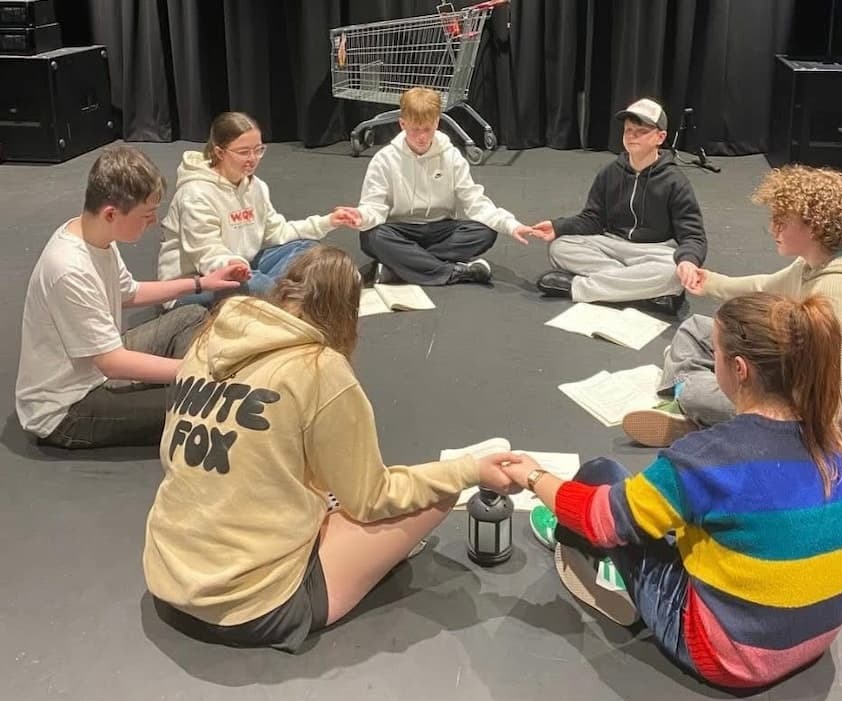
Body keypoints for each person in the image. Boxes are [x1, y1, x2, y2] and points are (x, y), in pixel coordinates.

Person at [143, 245, 520, 653]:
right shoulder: (319, 366)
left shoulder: (206, 343)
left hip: (167, 579)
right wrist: (471, 471)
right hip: (248, 606)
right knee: (435, 493)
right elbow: (372, 498)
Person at [509, 293, 842, 690]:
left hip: (729, 656)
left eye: (714, 352)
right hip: (816, 635)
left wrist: (534, 476)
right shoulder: (833, 442)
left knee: (600, 475)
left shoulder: (708, 458)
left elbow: (602, 518)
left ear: (740, 369)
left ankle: (573, 543)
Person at [622, 164, 842, 447]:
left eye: (782, 221)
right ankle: (713, 418)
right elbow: (763, 287)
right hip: (797, 373)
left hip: (830, 418)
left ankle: (700, 412)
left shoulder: (838, 295)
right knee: (697, 328)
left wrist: (790, 426)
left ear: (815, 227)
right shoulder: (815, 264)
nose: (773, 228)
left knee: (693, 393)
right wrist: (710, 282)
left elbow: (830, 394)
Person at [15, 146, 248, 449]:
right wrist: (198, 372)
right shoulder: (69, 269)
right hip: (68, 409)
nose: (152, 222)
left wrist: (201, 282)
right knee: (215, 400)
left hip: (96, 367)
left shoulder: (95, 236)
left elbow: (130, 292)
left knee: (189, 317)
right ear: (111, 213)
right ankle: (192, 385)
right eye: (147, 214)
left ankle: (185, 383)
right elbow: (112, 362)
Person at [158, 111, 361, 307]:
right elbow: (207, 253)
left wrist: (328, 221)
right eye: (244, 152)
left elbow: (277, 232)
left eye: (258, 150)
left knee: (308, 249)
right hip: (195, 283)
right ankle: (283, 302)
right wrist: (236, 267)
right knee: (256, 283)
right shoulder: (195, 194)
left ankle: (274, 300)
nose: (253, 158)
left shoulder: (256, 187)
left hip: (243, 269)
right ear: (219, 152)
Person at [532, 98, 706, 314]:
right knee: (560, 247)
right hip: (612, 245)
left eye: (640, 131)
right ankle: (644, 290)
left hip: (654, 251)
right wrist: (558, 227)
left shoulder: (675, 181)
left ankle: (579, 287)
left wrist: (688, 261)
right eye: (628, 130)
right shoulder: (609, 173)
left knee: (674, 272)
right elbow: (593, 219)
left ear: (660, 137)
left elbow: (693, 237)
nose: (632, 135)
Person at [356, 87, 535, 286]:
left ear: (437, 123)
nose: (422, 137)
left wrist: (511, 225)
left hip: (440, 229)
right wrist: (360, 217)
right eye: (415, 129)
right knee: (371, 236)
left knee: (485, 231)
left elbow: (476, 202)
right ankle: (452, 271)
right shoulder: (384, 159)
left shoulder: (451, 156)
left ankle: (401, 264)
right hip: (400, 228)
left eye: (428, 129)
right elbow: (373, 207)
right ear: (402, 124)